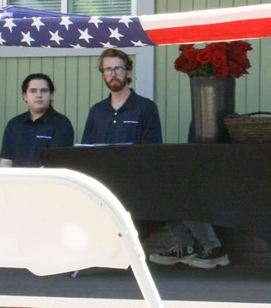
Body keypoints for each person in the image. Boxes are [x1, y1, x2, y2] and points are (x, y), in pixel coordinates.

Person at [79, 49, 229, 269]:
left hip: (139, 179)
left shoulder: (145, 108)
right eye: (108, 69)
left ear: (128, 72)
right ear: (103, 74)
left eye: (118, 69)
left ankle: (213, 248)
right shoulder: (96, 112)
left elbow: (152, 150)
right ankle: (186, 246)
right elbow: (87, 152)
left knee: (172, 189)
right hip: (105, 183)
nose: (113, 74)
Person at [0, 73, 74, 167]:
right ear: (25, 96)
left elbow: (57, 163)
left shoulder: (62, 124)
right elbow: (6, 161)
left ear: (51, 95)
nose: (39, 95)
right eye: (33, 91)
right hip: (16, 181)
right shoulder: (14, 124)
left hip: (47, 180)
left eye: (44, 91)